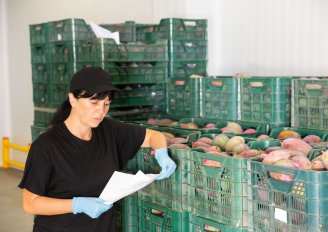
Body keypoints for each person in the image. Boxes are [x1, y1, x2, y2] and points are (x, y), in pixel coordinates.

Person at [19, 67, 177, 232]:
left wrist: (161, 152)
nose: (101, 111)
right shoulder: (46, 146)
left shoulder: (109, 131)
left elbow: (153, 136)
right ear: (73, 100)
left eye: (106, 104)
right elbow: (30, 204)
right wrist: (77, 204)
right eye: (93, 103)